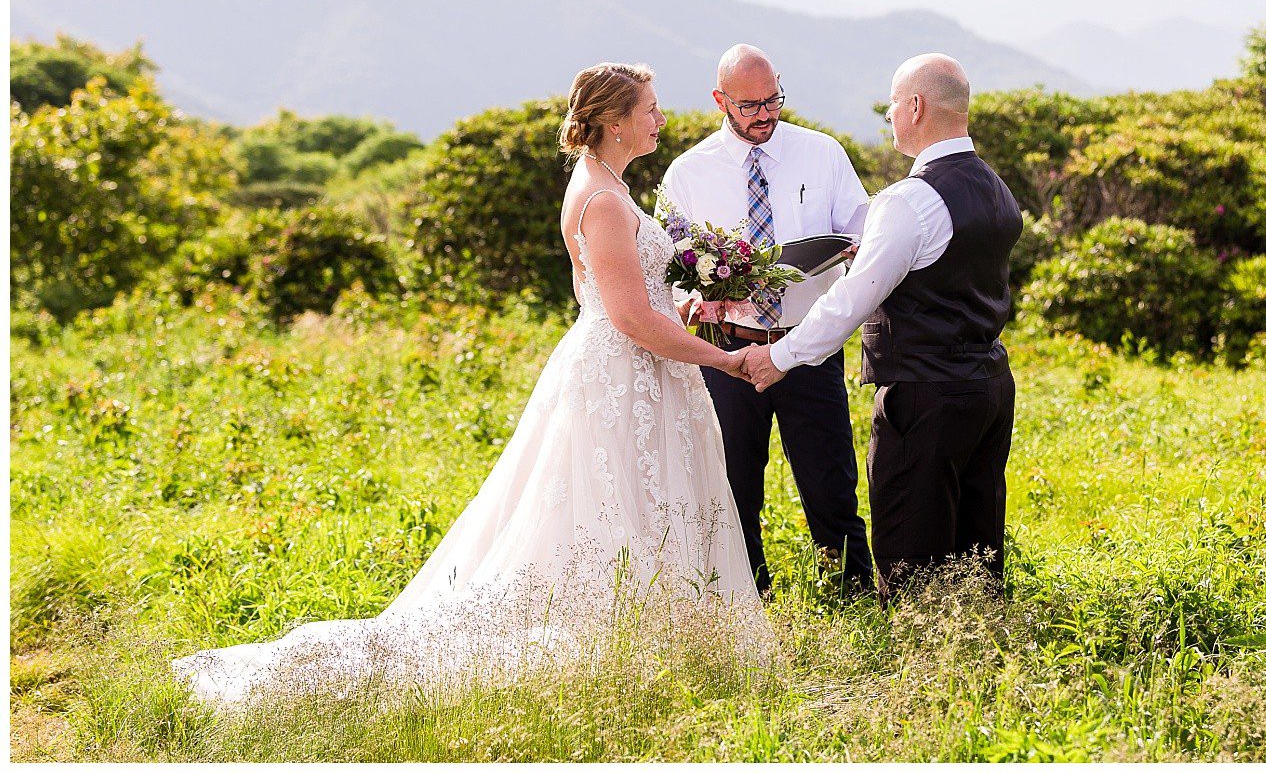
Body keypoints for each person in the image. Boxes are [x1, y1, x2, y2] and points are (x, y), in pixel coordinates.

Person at [173, 63, 772, 705]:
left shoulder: (609, 185)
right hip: (623, 374)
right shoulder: (599, 199)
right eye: (649, 109)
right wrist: (725, 361)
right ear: (613, 121)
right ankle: (627, 639)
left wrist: (688, 309)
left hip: (641, 369)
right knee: (611, 506)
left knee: (646, 503)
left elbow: (636, 299)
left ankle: (665, 635)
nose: (660, 118)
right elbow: (627, 317)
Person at [743, 54, 1023, 600]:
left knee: (909, 545)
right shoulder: (995, 187)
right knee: (977, 542)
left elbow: (850, 302)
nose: (890, 114)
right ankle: (981, 657)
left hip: (925, 393)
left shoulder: (909, 201)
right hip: (987, 387)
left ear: (916, 107)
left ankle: (918, 663)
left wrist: (777, 358)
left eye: (893, 103)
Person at [657, 44, 875, 595]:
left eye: (773, 99)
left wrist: (851, 251)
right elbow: (668, 265)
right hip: (727, 354)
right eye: (749, 105)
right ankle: (750, 602)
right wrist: (692, 297)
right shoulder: (687, 172)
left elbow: (865, 232)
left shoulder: (823, 153)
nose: (764, 114)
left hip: (807, 351)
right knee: (734, 489)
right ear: (720, 101)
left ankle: (852, 597)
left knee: (830, 486)